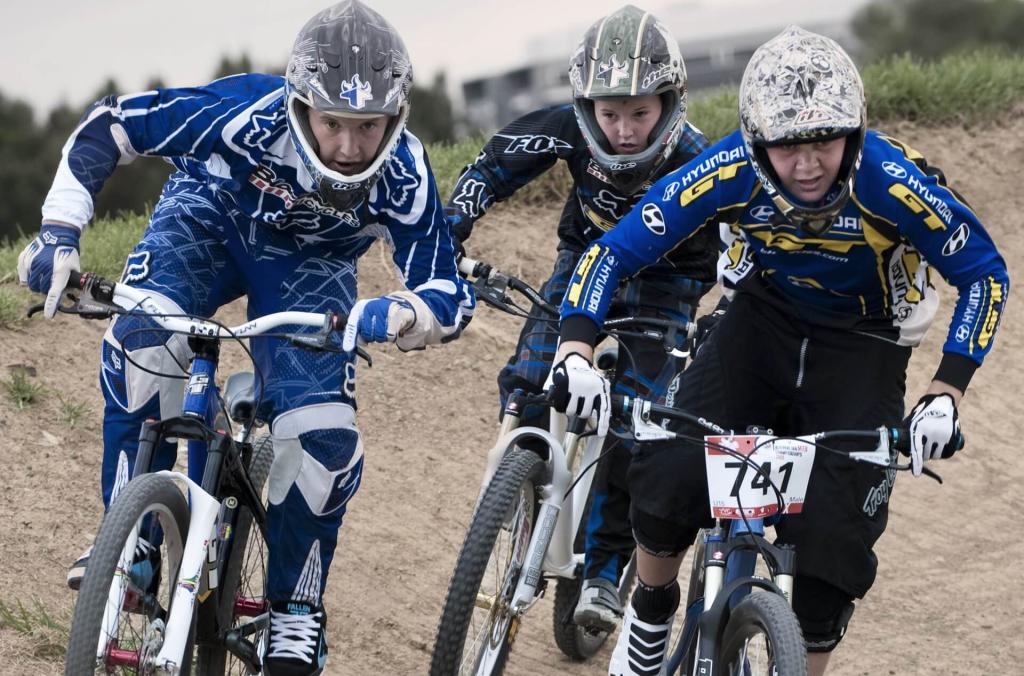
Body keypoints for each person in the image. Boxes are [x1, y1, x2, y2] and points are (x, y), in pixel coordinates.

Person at [16, 2, 474, 674]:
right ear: (298, 106)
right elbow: (110, 126)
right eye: (333, 124)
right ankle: (132, 544)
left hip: (309, 271)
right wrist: (59, 233)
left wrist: (405, 314)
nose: (349, 146)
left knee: (321, 439)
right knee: (141, 345)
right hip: (208, 220)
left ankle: (295, 608)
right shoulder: (244, 113)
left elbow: (446, 290)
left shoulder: (404, 170)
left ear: (396, 119)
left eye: (367, 127)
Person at [548, 25, 1009, 676]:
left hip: (865, 341)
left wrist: (947, 391)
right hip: (761, 319)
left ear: (854, 132)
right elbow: (614, 250)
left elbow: (984, 274)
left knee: (833, 546)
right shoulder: (729, 167)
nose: (809, 164)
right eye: (788, 148)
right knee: (672, 464)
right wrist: (573, 347)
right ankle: (651, 608)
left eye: (825, 141)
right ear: (756, 143)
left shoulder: (892, 181)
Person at [447, 4, 717, 633]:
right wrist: (449, 232)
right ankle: (515, 480)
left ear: (671, 102)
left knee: (638, 421)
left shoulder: (699, 156)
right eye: (610, 112)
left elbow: (743, 231)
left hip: (667, 286)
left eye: (641, 112)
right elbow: (490, 167)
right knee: (532, 374)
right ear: (585, 105)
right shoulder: (566, 129)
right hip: (583, 262)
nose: (624, 129)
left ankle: (605, 565)